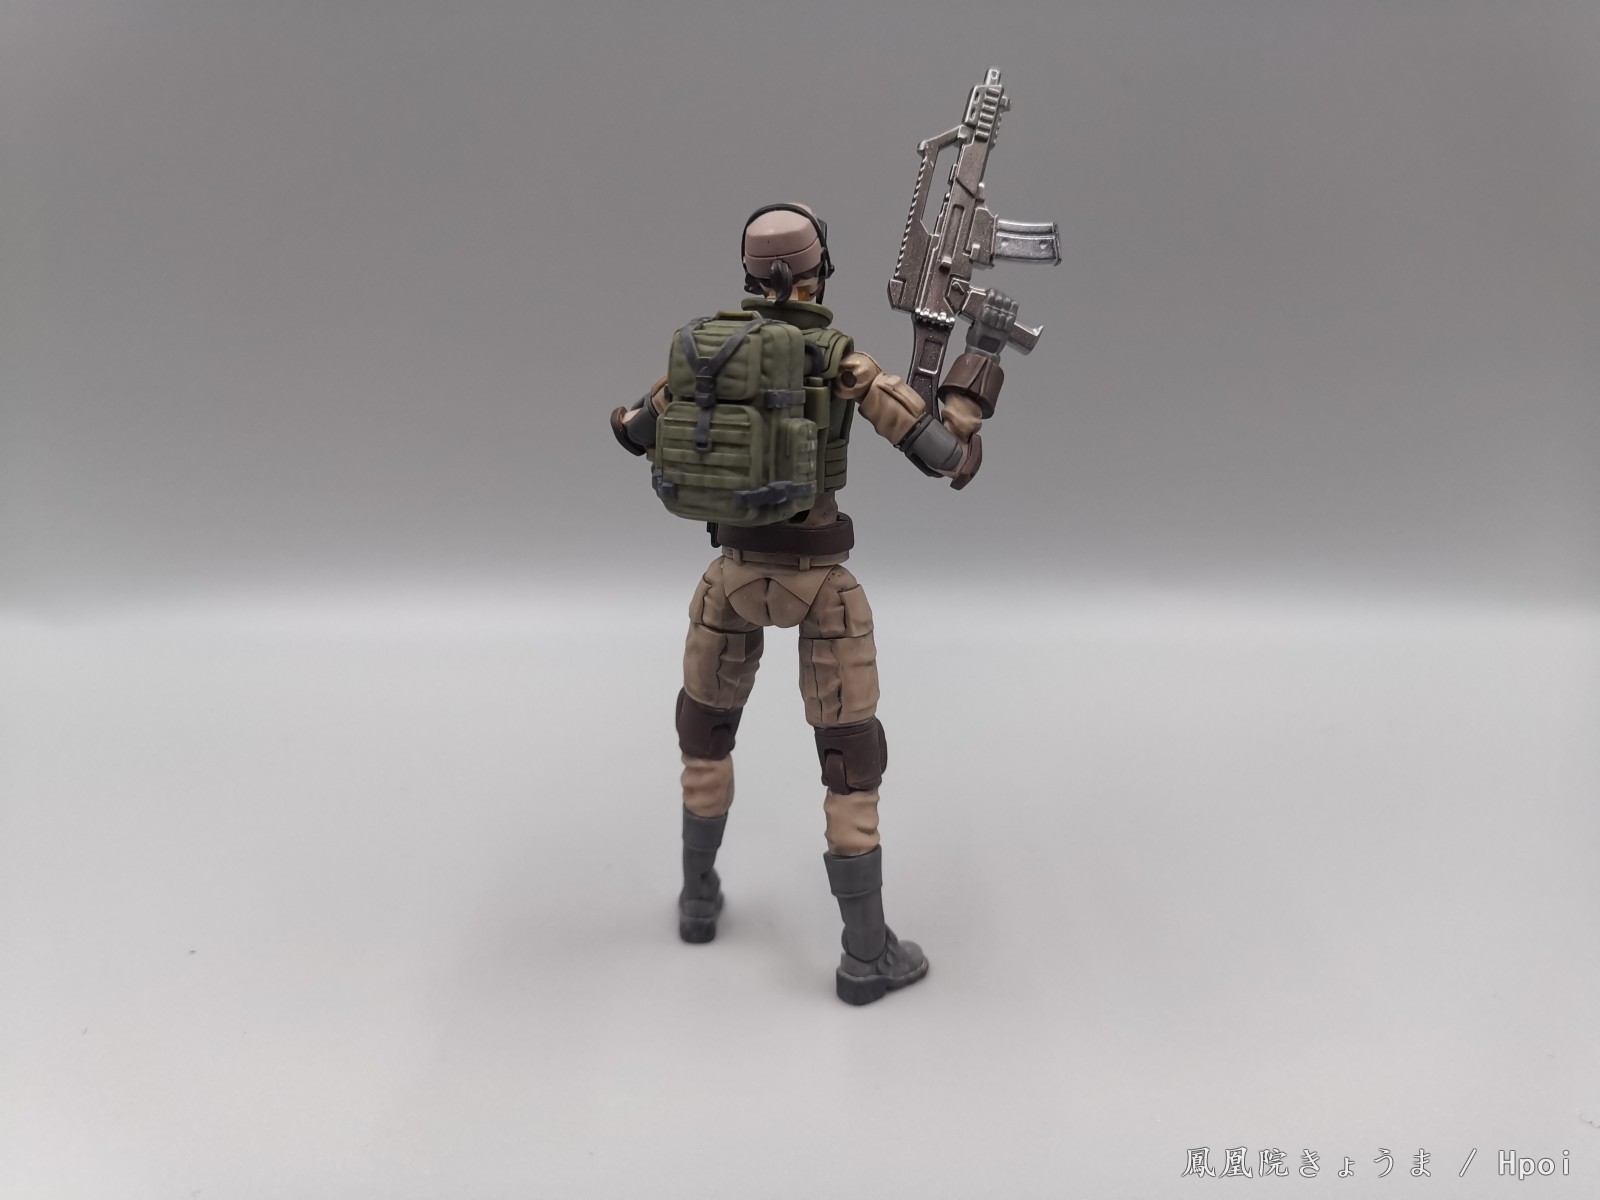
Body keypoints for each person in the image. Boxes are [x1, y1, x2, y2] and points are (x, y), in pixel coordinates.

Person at [609, 203, 1012, 1005]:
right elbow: (948, 455)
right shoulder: (841, 361)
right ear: (816, 274)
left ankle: (697, 899)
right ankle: (866, 955)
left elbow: (633, 432)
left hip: (728, 579)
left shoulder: (701, 350)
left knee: (705, 739)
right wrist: (980, 365)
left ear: (749, 276)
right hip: (821, 586)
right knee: (849, 765)